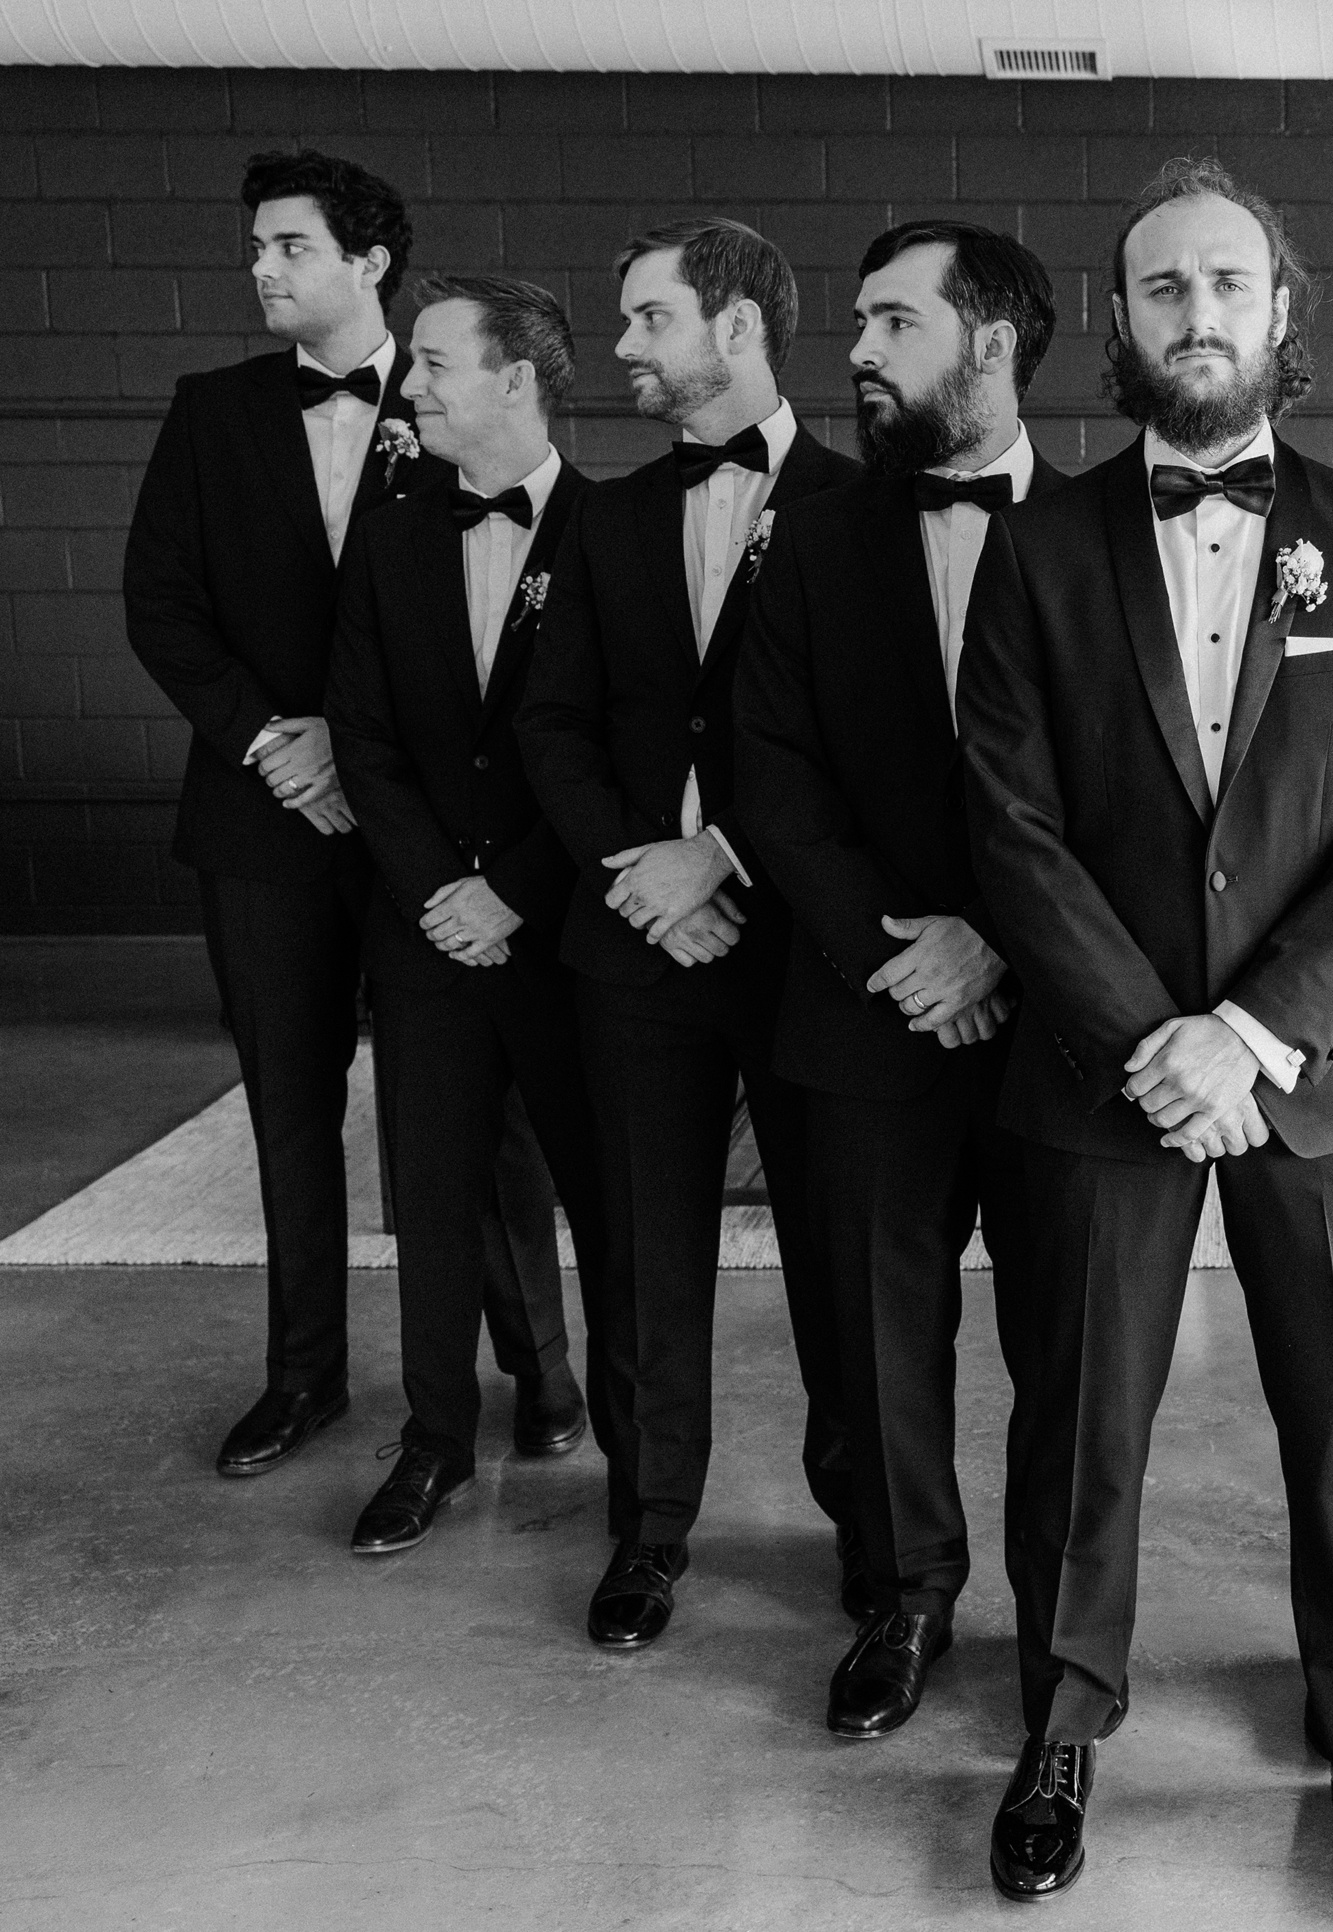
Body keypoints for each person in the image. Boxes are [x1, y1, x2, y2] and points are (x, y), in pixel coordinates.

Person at [956, 158, 1333, 1911]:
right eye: (1162, 287)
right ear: (1120, 320)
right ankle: (1063, 1719)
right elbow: (1005, 826)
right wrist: (1149, 1039)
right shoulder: (1036, 549)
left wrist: (1247, 1033)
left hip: (1315, 1077)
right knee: (1079, 1421)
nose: (1196, 315)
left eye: (1225, 285)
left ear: (1279, 316)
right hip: (1103, 1081)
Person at [124, 149, 577, 1483]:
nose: (262, 268)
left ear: (369, 260)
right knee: (287, 1108)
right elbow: (161, 602)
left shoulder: (465, 405)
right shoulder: (210, 412)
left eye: (290, 246)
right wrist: (273, 738)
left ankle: (540, 1369)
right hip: (261, 823)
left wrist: (355, 743)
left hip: (429, 834)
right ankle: (303, 1377)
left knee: (481, 1118)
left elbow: (502, 602)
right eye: (256, 247)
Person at [736, 220, 1064, 1739]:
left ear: (989, 343)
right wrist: (899, 946)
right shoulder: (805, 535)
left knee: (1070, 1336)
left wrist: (998, 939)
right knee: (873, 1333)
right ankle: (905, 1593)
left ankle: (1069, 1612)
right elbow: (763, 766)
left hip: (1062, 1016)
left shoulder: (1103, 533)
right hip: (863, 1006)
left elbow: (1138, 790)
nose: (855, 354)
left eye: (891, 323)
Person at [517, 218, 860, 1650]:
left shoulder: (865, 509)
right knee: (646, 1253)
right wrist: (639, 871)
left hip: (808, 948)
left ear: (736, 326)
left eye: (647, 317)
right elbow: (550, 722)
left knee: (842, 1259)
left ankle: (873, 1538)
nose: (622, 348)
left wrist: (723, 856)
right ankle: (649, 1532)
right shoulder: (594, 517)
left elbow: (879, 745)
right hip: (639, 951)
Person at [326, 275, 619, 1552]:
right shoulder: (386, 538)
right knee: (432, 1198)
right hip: (428, 927)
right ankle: (435, 1441)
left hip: (568, 934)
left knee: (603, 1195)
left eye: (436, 362)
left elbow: (628, 745)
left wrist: (518, 889)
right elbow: (365, 738)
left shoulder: (618, 533)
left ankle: (620, 1439)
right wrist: (444, 892)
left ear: (517, 376)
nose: (413, 384)